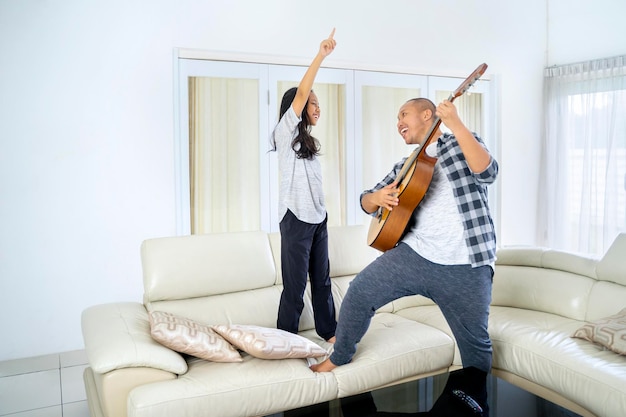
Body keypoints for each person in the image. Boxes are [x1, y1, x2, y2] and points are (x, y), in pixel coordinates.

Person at [311, 97, 498, 416]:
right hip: (416, 255)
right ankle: (339, 355)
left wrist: (456, 124)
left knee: (476, 350)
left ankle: (473, 402)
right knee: (359, 292)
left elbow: (488, 172)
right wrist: (376, 197)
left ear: (428, 114)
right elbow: (365, 202)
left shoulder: (462, 143)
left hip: (468, 263)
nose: (398, 122)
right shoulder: (407, 165)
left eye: (403, 114)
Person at [271, 29, 338, 343]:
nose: (317, 107)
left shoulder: (309, 142)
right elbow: (301, 94)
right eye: (312, 102)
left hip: (318, 218)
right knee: (295, 288)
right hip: (295, 218)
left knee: (322, 283)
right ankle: (285, 341)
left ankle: (331, 334)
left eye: (317, 103)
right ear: (296, 107)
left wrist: (323, 214)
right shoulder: (284, 133)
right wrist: (321, 56)